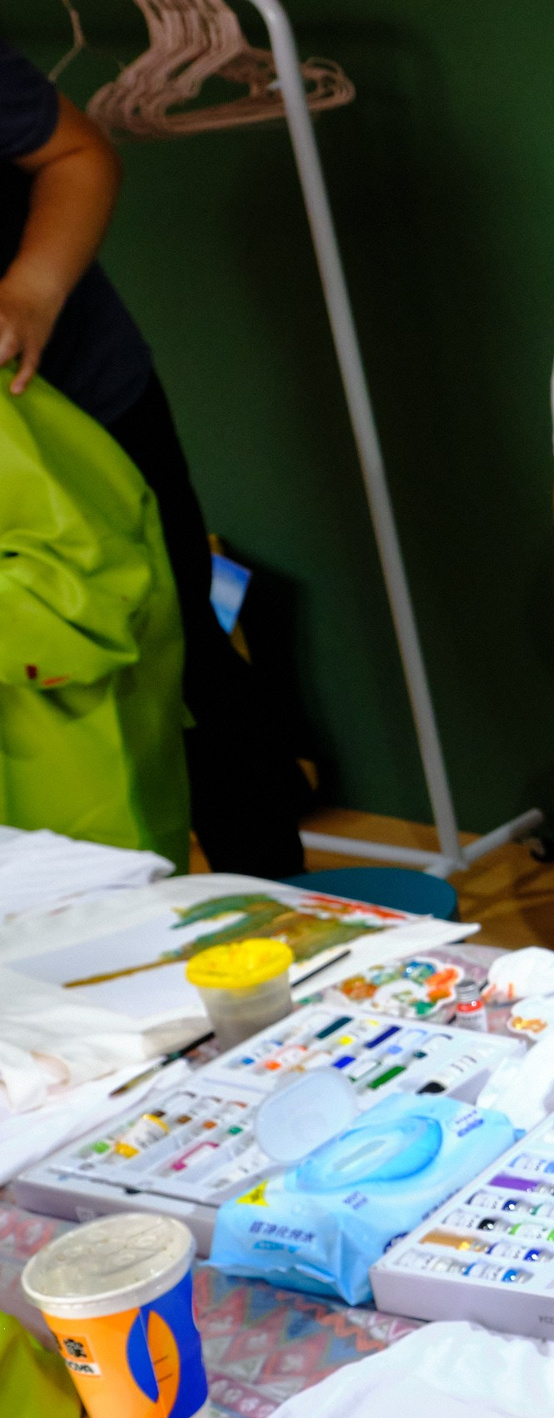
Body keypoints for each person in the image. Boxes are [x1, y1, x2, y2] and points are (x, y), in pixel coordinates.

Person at [0, 36, 309, 875]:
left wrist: (31, 290)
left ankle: (277, 906)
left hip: (75, 407)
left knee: (179, 659)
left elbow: (77, 154)